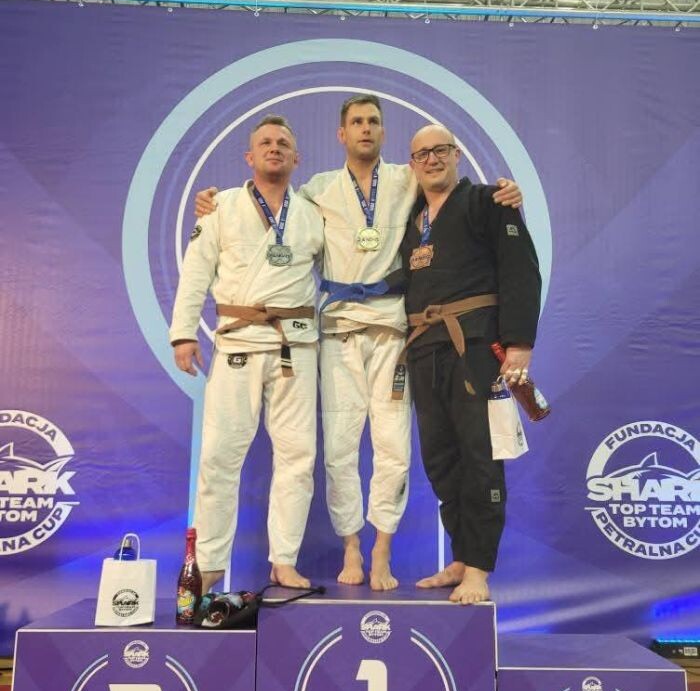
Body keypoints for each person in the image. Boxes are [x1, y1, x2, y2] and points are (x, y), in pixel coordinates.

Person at [194, 96, 522, 591]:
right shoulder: (317, 190)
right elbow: (272, 205)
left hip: (392, 330)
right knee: (340, 449)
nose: (365, 128)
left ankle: (382, 550)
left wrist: (505, 193)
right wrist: (214, 203)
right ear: (341, 134)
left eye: (373, 121)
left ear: (384, 133)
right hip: (337, 331)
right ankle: (352, 546)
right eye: (356, 122)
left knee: (393, 447)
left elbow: (449, 186)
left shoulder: (407, 179)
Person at [171, 115, 324, 594]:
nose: (274, 148)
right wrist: (183, 334)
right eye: (265, 143)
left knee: (298, 456)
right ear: (249, 156)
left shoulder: (313, 213)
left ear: (296, 158)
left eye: (283, 143)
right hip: (237, 340)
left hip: (295, 345)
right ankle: (210, 562)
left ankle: (285, 560)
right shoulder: (220, 206)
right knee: (220, 456)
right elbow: (196, 271)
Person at [400, 123, 541, 604]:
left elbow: (521, 269)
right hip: (424, 348)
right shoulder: (413, 219)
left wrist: (518, 344)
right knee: (440, 460)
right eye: (422, 153)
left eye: (440, 150)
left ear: (457, 154)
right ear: (412, 164)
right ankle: (461, 556)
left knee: (480, 456)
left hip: (475, 348)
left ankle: (479, 568)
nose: (432, 159)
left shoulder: (489, 201)